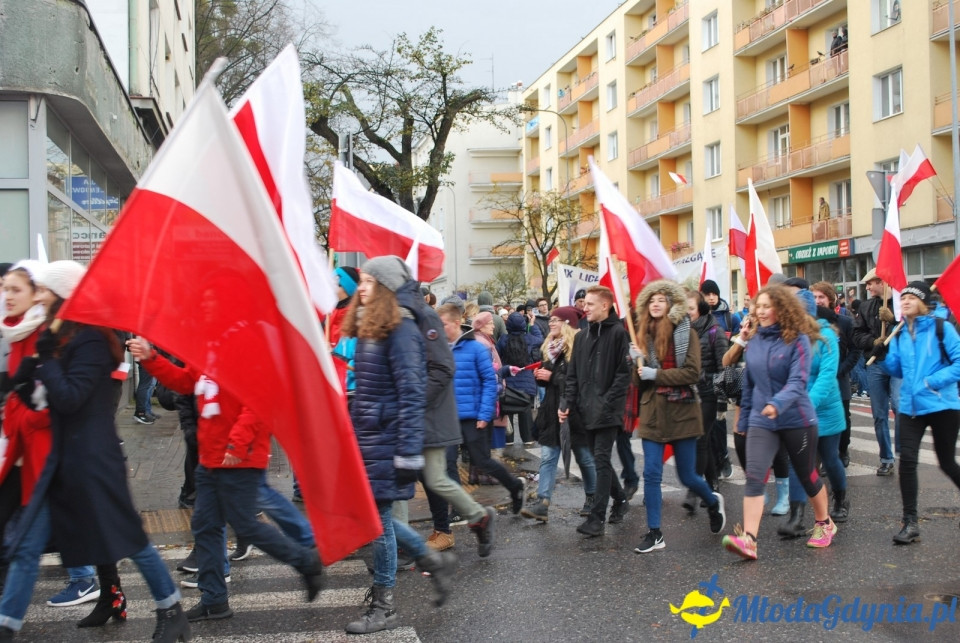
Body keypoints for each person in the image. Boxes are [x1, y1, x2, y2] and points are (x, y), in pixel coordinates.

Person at [2, 260, 190, 641]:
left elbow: (70, 397)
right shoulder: (62, 334)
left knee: (132, 541)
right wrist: (23, 378)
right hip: (59, 462)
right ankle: (7, 626)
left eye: (42, 289)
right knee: (26, 548)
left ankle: (171, 609)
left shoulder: (90, 339)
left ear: (61, 295)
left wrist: (48, 358)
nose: (36, 295)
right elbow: (35, 389)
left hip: (92, 460)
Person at [129, 286, 324, 623]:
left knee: (246, 525)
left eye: (209, 305)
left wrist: (238, 442)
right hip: (211, 457)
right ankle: (215, 600)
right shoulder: (210, 346)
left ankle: (307, 562)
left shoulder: (248, 342)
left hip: (239, 457)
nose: (203, 312)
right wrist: (151, 357)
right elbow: (185, 382)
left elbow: (260, 398)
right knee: (206, 526)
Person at [338, 257, 456, 633]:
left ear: (387, 287)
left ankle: (385, 607)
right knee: (379, 519)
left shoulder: (402, 328)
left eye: (370, 281)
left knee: (379, 526)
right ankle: (431, 563)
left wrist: (407, 450)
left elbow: (410, 392)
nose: (362, 286)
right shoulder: (375, 325)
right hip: (372, 436)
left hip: (388, 440)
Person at [0, 262, 101, 617]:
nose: (6, 296)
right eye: (4, 288)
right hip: (23, 446)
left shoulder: (44, 334)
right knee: (33, 531)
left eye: (16, 289)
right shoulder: (19, 331)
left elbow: (55, 397)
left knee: (41, 530)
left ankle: (89, 580)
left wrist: (21, 414)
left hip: (43, 447)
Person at [722, 285, 838, 560]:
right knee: (754, 475)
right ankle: (749, 539)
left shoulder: (797, 340)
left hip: (796, 418)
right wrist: (747, 416)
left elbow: (798, 382)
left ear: (781, 309)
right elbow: (749, 382)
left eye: (766, 306)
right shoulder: (756, 340)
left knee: (808, 475)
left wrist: (778, 403)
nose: (760, 311)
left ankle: (824, 523)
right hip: (763, 419)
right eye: (757, 306)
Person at [393, 274, 495, 559]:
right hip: (418, 416)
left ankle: (405, 543)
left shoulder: (423, 319)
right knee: (426, 478)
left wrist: (413, 401)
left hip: (430, 417)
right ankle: (470, 519)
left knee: (427, 478)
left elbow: (441, 369)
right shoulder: (404, 317)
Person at [632, 281, 726, 553]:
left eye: (662, 299)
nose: (656, 304)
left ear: (672, 305)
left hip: (683, 411)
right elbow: (639, 384)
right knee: (651, 473)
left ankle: (711, 502)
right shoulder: (643, 337)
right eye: (652, 300)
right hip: (652, 413)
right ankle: (655, 533)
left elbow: (692, 373)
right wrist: (634, 363)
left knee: (688, 476)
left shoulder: (688, 334)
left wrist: (656, 374)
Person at [881, 282, 960, 544]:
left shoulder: (941, 328)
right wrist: (884, 354)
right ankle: (910, 523)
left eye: (910, 298)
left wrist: (930, 382)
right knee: (908, 463)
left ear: (923, 302)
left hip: (942, 406)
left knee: (947, 462)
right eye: (902, 298)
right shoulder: (901, 332)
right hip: (911, 408)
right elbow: (898, 370)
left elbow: (959, 362)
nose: (904, 302)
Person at [439, 304, 525, 516]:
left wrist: (485, 414)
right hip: (449, 417)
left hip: (474, 416)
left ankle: (514, 486)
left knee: (482, 462)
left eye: (444, 325)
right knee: (448, 463)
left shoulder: (477, 348)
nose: (440, 329)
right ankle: (458, 508)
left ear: (457, 323)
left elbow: (490, 381)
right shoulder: (441, 348)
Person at [561, 286, 631, 537]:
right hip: (584, 409)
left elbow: (623, 376)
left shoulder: (618, 334)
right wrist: (567, 403)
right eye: (584, 304)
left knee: (600, 459)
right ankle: (621, 499)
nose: (585, 308)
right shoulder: (581, 337)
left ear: (606, 306)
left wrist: (607, 402)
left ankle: (597, 517)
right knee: (597, 459)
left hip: (608, 411)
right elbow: (573, 375)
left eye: (590, 304)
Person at [522, 306, 596, 521]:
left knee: (584, 458)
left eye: (556, 320)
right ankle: (543, 503)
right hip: (551, 412)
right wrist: (540, 376)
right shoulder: (550, 347)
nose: (551, 323)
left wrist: (551, 377)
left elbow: (580, 382)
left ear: (568, 324)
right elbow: (550, 379)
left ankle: (592, 497)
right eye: (551, 320)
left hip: (574, 413)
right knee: (548, 457)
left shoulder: (578, 349)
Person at [683, 290, 729, 514]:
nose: (687, 312)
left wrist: (722, 400)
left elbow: (725, 367)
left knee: (700, 439)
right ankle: (712, 484)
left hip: (709, 393)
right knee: (706, 441)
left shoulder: (714, 331)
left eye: (690, 308)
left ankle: (694, 490)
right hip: (690, 395)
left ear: (700, 309)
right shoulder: (682, 332)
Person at [852, 269, 900, 476]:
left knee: (899, 406)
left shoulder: (901, 302)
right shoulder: (865, 306)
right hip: (876, 363)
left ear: (882, 282)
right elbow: (857, 335)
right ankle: (886, 458)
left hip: (899, 364)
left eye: (870, 284)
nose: (868, 288)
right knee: (879, 414)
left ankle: (905, 453)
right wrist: (873, 342)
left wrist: (894, 321)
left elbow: (914, 329)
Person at [810, 281, 860, 467]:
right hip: (816, 381)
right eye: (814, 297)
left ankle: (842, 450)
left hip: (839, 379)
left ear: (831, 300)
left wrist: (842, 370)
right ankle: (821, 455)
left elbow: (855, 351)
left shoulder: (844, 322)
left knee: (843, 417)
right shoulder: (808, 324)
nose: (817, 301)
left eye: (821, 297)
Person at [497, 312, 542, 446]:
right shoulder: (529, 339)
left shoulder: (503, 339)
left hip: (509, 380)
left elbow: (498, 356)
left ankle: (509, 440)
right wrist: (532, 325)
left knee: (508, 408)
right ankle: (528, 439)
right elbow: (540, 339)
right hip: (526, 381)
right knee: (525, 410)